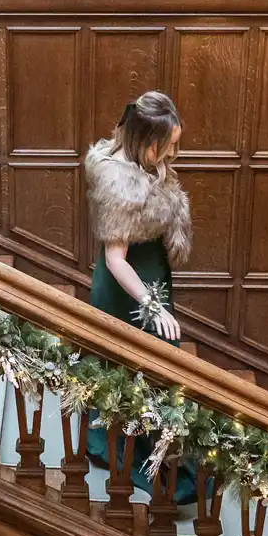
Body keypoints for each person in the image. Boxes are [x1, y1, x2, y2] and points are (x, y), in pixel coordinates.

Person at [83, 91, 194, 502]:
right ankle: (121, 449)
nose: (173, 152)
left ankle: (159, 448)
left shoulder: (150, 164)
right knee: (132, 369)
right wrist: (153, 305)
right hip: (127, 287)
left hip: (151, 274)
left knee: (155, 367)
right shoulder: (117, 180)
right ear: (145, 141)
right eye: (168, 144)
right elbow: (115, 259)